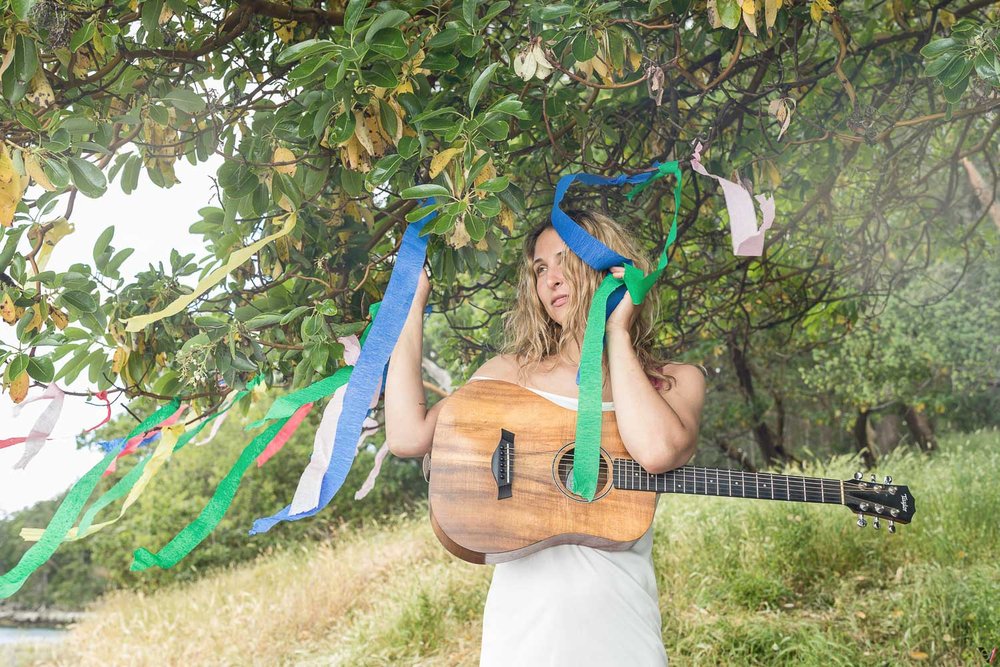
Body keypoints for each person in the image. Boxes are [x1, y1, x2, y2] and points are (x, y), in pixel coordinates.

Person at [385, 209, 706, 666]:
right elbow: (407, 435)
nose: (552, 279)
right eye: (540, 269)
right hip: (524, 635)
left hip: (623, 632)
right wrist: (411, 304)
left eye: (566, 260)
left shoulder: (675, 382)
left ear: (610, 267)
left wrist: (614, 329)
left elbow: (655, 452)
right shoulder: (510, 376)